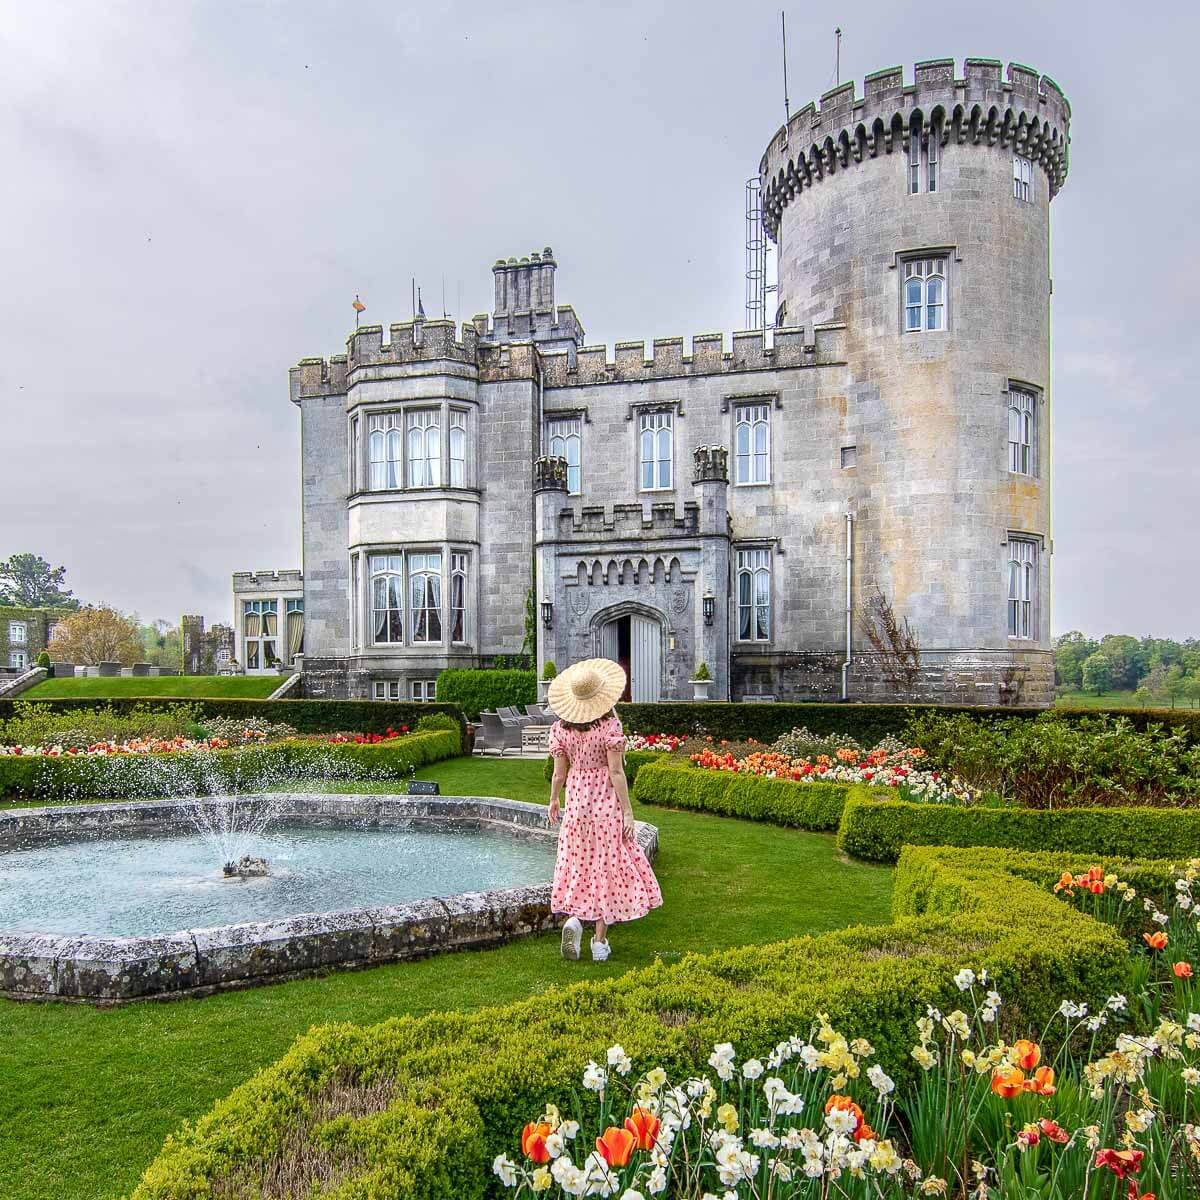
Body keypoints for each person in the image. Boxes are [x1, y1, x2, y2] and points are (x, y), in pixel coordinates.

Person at [546, 657, 662, 961]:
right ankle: (599, 943)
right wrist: (628, 812)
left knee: (578, 863)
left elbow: (558, 773)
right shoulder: (609, 726)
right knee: (605, 866)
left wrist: (554, 798)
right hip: (604, 804)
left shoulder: (560, 730)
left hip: (576, 803)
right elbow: (616, 772)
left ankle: (574, 920)